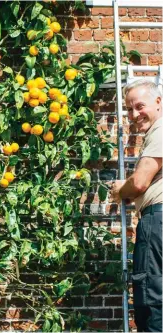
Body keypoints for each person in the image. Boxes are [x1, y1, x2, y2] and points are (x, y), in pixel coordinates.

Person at [109, 79, 162, 332]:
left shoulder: (161, 131)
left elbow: (139, 183)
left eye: (140, 106)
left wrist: (121, 190)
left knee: (152, 300)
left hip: (158, 221)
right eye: (129, 109)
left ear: (159, 102)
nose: (134, 114)